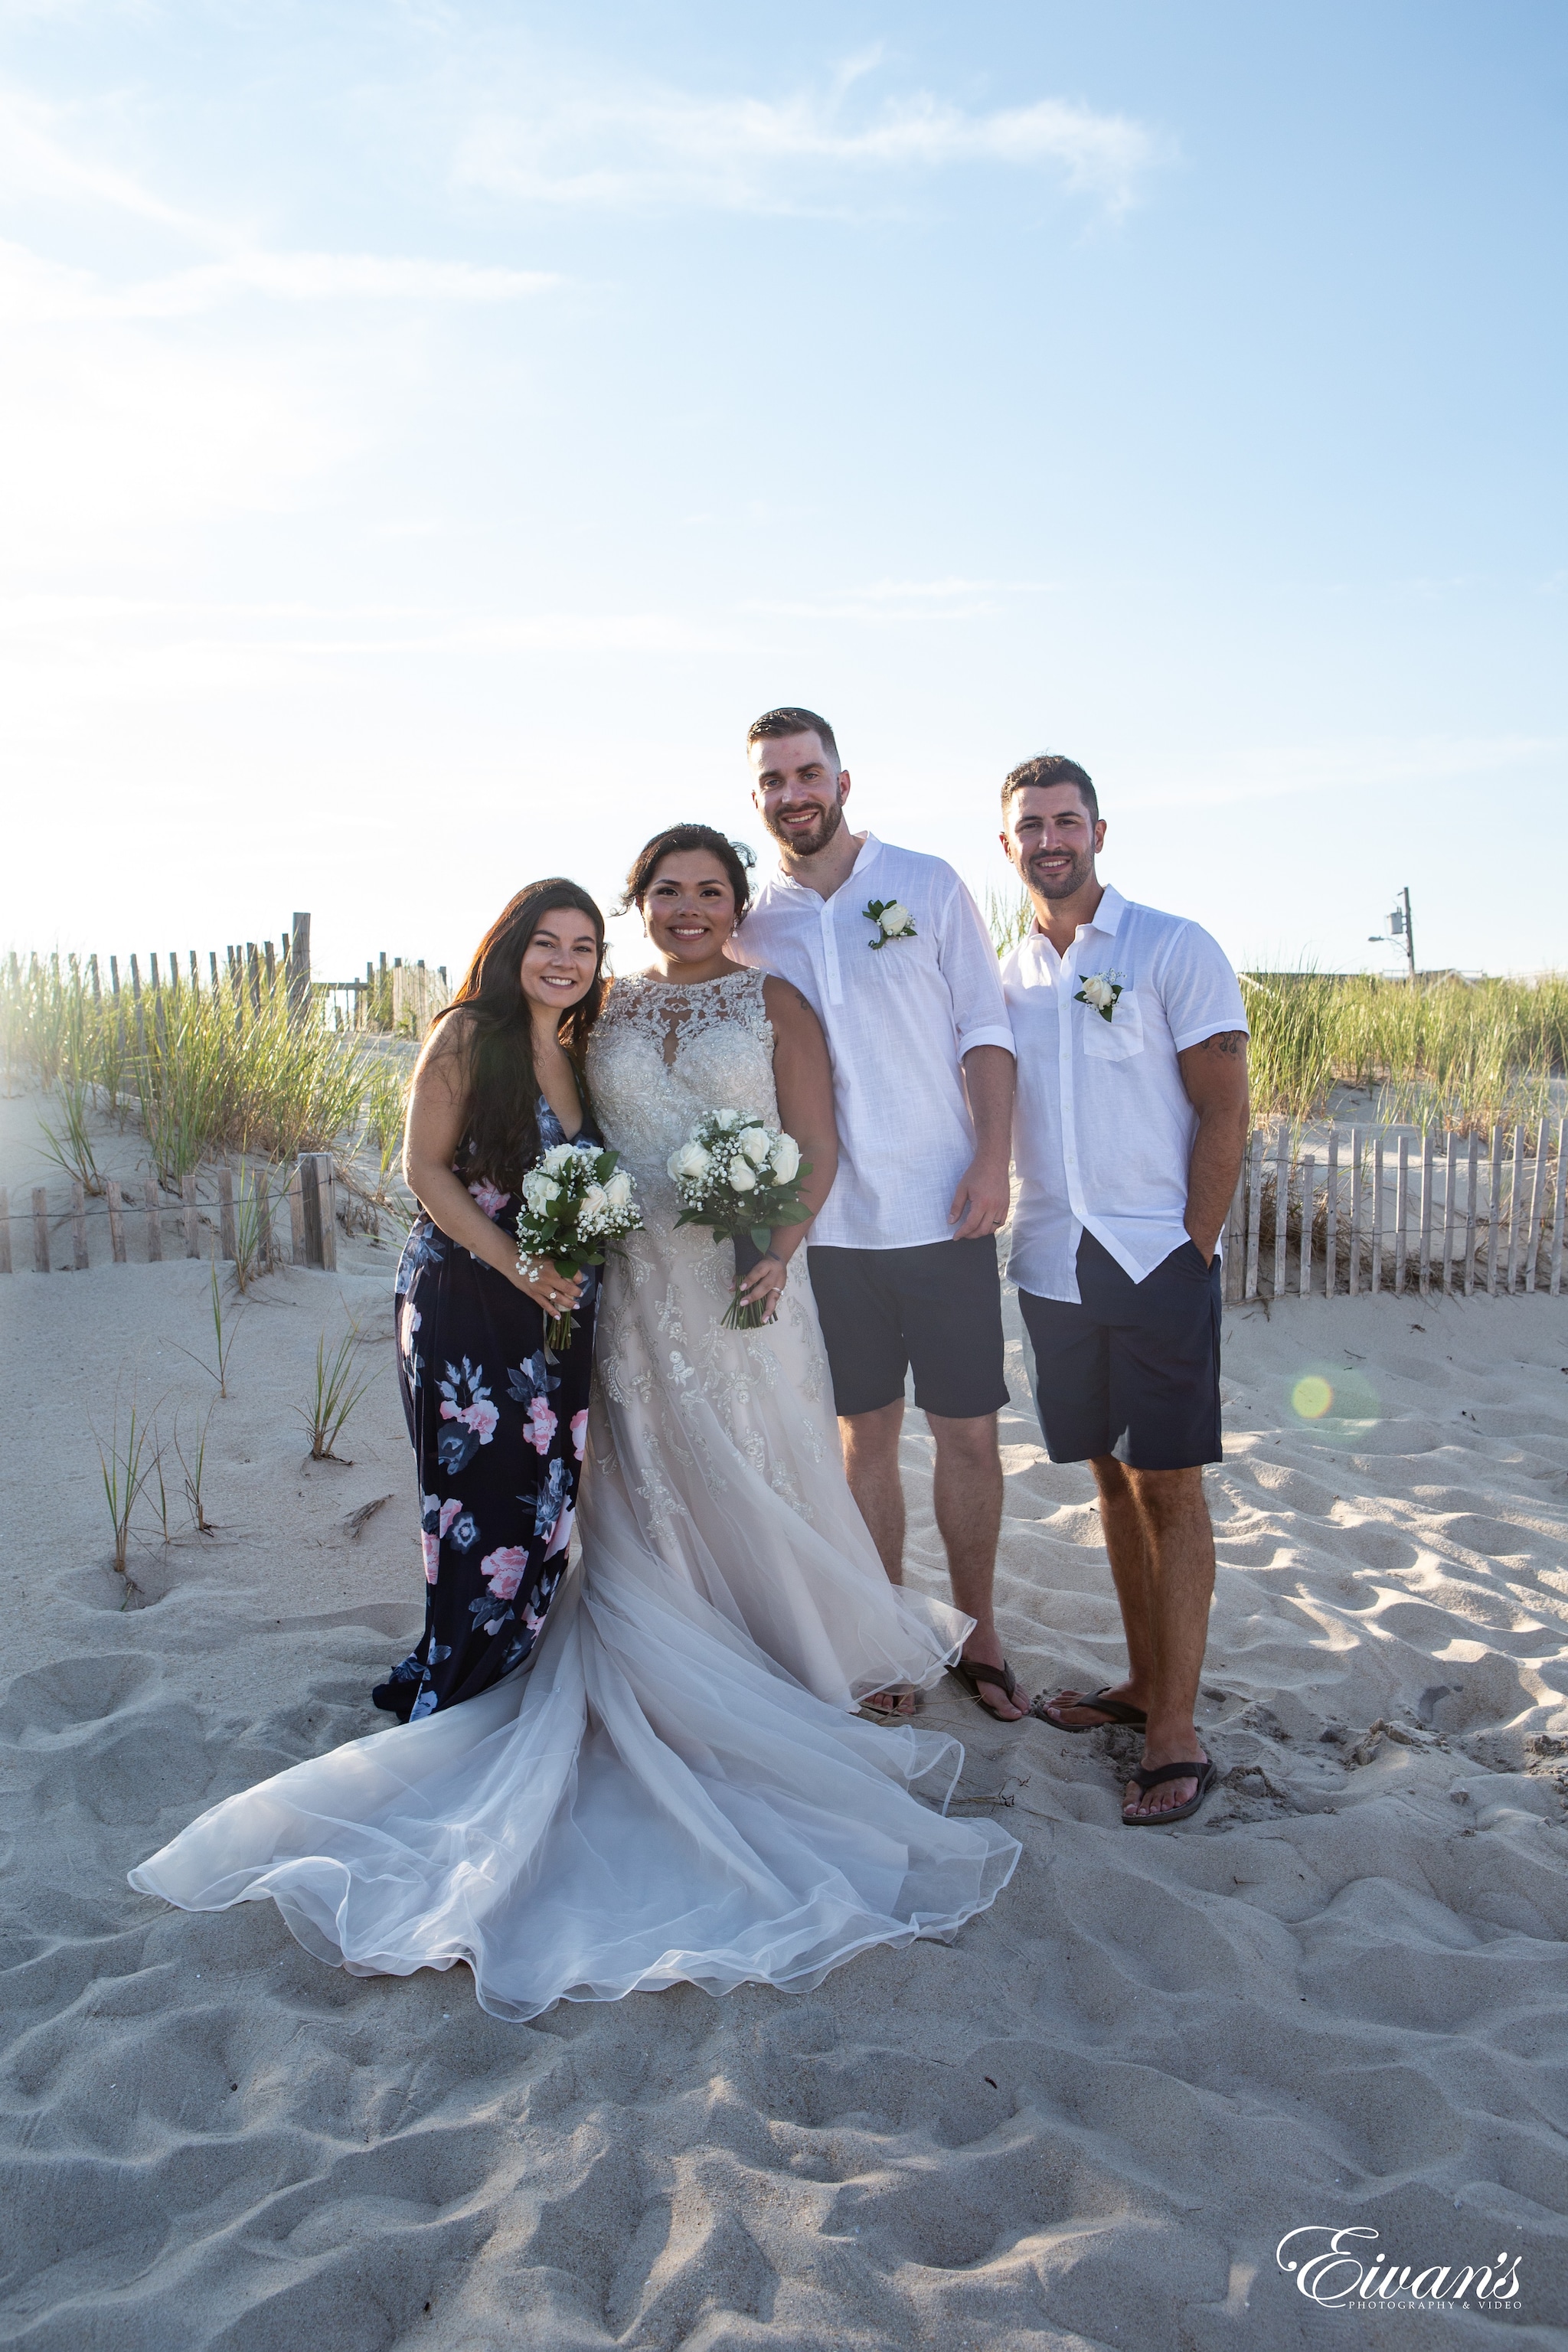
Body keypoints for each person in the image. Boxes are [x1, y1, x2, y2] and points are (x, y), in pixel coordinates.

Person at [128, 828, 1018, 2020]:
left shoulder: (773, 1001)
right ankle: (594, 1642)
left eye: (711, 891)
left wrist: (778, 1244)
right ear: (639, 905)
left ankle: (785, 1647)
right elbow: (495, 1150)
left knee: (761, 1460)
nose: (689, 908)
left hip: (739, 1279)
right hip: (617, 1286)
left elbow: (815, 1144)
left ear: (738, 906)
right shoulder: (604, 1011)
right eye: (667, 891)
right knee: (632, 1474)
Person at [733, 707, 1026, 1722]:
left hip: (945, 1214)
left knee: (969, 1441)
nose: (793, 793)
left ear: (842, 782)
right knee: (865, 1443)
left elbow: (985, 1029)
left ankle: (980, 1634)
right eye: (773, 780)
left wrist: (991, 1159)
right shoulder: (750, 925)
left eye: (807, 772)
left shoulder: (927, 882)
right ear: (757, 797)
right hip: (828, 1233)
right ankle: (883, 1635)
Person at [997, 753, 1250, 1825]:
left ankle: (1176, 1731)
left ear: (1099, 831)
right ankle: (1142, 1684)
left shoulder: (1171, 946)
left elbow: (1225, 1107)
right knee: (1108, 1478)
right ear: (1006, 844)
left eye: (1066, 821)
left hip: (1154, 1259)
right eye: (1030, 825)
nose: (1049, 840)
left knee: (1170, 1487)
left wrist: (1193, 1246)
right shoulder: (1007, 973)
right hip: (1051, 1261)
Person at [374, 880, 607, 1723]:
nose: (564, 961)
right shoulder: (469, 1032)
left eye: (583, 947)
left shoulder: (576, 1051)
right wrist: (519, 1267)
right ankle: (459, 1677)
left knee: (543, 1494)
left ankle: (495, 1661)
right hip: (467, 1294)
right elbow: (424, 1169)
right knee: (479, 1493)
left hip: (555, 1311)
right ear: (511, 947)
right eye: (547, 941)